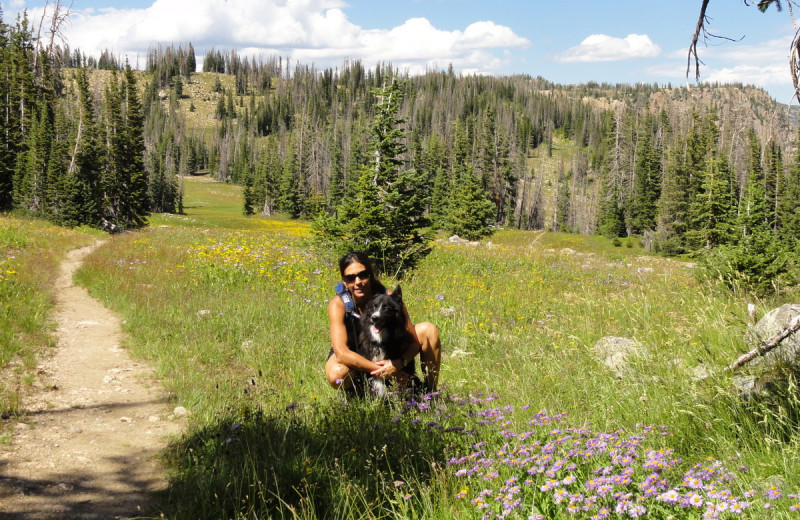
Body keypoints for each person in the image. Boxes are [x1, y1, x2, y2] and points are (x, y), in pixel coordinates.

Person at [325, 251, 441, 395]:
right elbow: (342, 353)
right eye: (350, 278)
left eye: (362, 275)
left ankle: (430, 392)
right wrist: (385, 371)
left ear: (370, 275)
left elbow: (413, 341)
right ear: (344, 281)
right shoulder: (339, 305)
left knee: (429, 330)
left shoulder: (390, 299)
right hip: (353, 352)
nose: (358, 282)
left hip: (388, 353)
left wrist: (399, 364)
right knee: (336, 374)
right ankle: (355, 393)